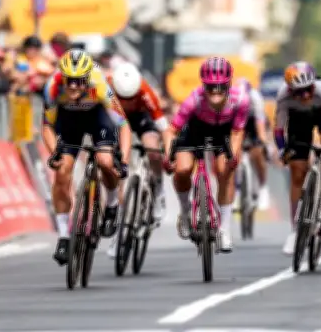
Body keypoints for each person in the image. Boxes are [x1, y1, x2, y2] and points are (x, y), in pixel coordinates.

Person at [42, 49, 132, 266]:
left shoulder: (100, 86)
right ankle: (64, 236)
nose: (74, 86)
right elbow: (46, 127)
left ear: (87, 78)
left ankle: (111, 204)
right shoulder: (52, 88)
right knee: (62, 171)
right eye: (69, 81)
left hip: (97, 118)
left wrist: (125, 161)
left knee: (105, 161)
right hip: (68, 120)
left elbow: (123, 125)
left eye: (79, 81)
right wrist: (55, 153)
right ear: (63, 77)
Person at [162, 57, 249, 253]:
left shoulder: (241, 99)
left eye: (220, 87)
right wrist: (168, 156)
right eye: (210, 87)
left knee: (224, 171)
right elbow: (171, 131)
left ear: (228, 85)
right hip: (194, 132)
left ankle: (224, 229)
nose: (216, 92)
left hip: (223, 135)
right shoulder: (194, 99)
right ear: (203, 86)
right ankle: (185, 211)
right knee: (183, 169)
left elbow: (237, 132)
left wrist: (234, 155)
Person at [274, 61, 321, 255]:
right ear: (291, 91)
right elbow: (279, 129)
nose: (306, 95)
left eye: (309, 89)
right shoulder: (283, 96)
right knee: (297, 172)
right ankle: (294, 230)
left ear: (314, 84)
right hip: (298, 121)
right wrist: (283, 150)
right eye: (299, 92)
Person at [105, 62, 168, 259]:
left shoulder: (145, 91)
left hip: (141, 117)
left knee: (153, 148)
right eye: (123, 97)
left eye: (131, 97)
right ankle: (119, 234)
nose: (127, 101)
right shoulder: (105, 86)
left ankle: (158, 191)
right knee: (115, 167)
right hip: (115, 117)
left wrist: (166, 150)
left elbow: (163, 127)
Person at [236, 78, 272, 208]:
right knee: (233, 152)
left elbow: (260, 123)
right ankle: (237, 190)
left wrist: (262, 142)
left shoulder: (255, 98)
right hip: (238, 123)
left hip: (254, 122)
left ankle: (263, 187)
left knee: (258, 153)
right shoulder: (230, 99)